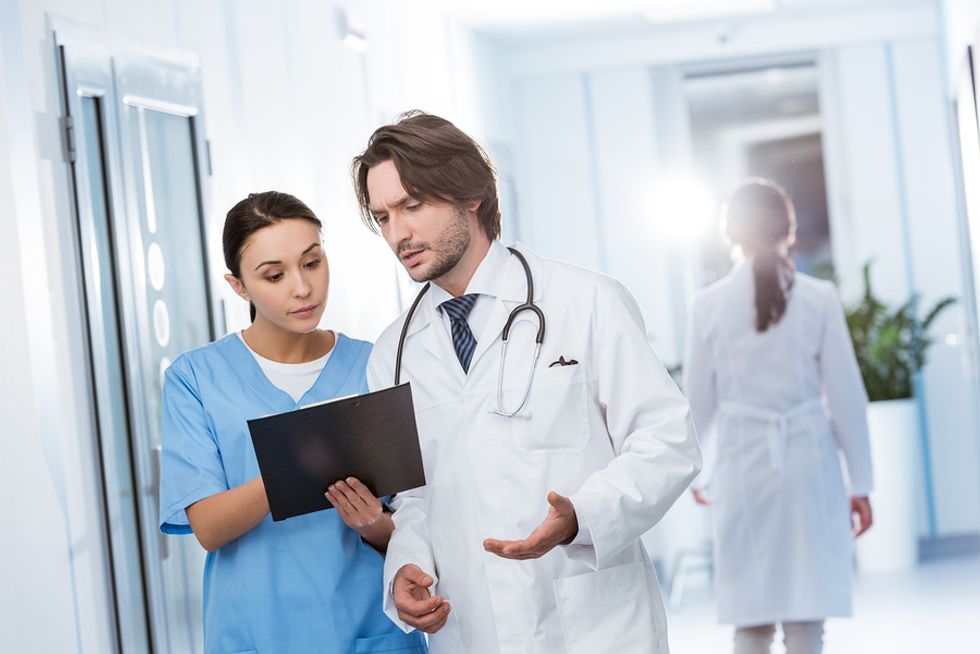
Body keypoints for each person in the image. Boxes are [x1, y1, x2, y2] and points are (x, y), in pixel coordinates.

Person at [350, 111, 702, 653]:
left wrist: (581, 516)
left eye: (412, 206)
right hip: (472, 629)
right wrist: (407, 566)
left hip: (592, 625)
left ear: (471, 194)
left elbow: (667, 441)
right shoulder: (393, 353)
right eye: (383, 217)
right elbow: (415, 498)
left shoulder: (586, 302)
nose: (399, 233)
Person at [158, 191, 426, 654]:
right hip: (253, 635)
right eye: (274, 275)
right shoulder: (196, 377)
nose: (302, 288)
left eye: (313, 263)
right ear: (238, 285)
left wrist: (373, 525)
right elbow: (208, 527)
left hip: (366, 632)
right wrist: (300, 462)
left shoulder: (379, 364)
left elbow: (421, 520)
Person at [683, 178, 874, 654]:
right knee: (806, 610)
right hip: (810, 462)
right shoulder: (819, 299)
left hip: (744, 467)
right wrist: (861, 484)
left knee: (752, 614)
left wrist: (696, 472)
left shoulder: (706, 306)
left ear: (731, 233)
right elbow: (846, 395)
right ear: (788, 230)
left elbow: (698, 403)